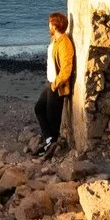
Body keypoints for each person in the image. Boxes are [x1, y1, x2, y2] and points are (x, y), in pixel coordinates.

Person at [35, 11, 73, 156]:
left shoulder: (65, 43)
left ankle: (52, 148)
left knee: (53, 118)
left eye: (50, 23)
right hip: (49, 81)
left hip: (56, 86)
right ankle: (49, 141)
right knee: (39, 108)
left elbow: (66, 69)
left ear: (55, 25)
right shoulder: (55, 40)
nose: (48, 25)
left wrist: (55, 84)